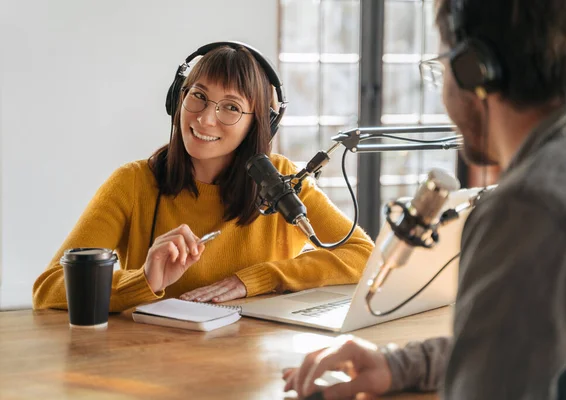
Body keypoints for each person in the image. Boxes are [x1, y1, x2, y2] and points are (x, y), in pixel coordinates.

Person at [283, 0, 566, 398]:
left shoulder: (530, 209)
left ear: (473, 68)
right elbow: (519, 348)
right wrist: (401, 365)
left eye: (442, 64)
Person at [32, 43, 374, 312]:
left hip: (251, 371)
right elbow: (49, 287)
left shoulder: (283, 180)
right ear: (178, 100)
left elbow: (364, 255)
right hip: (151, 363)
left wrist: (259, 279)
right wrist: (143, 280)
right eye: (198, 97)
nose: (206, 119)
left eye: (230, 107)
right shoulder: (132, 183)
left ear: (259, 124)